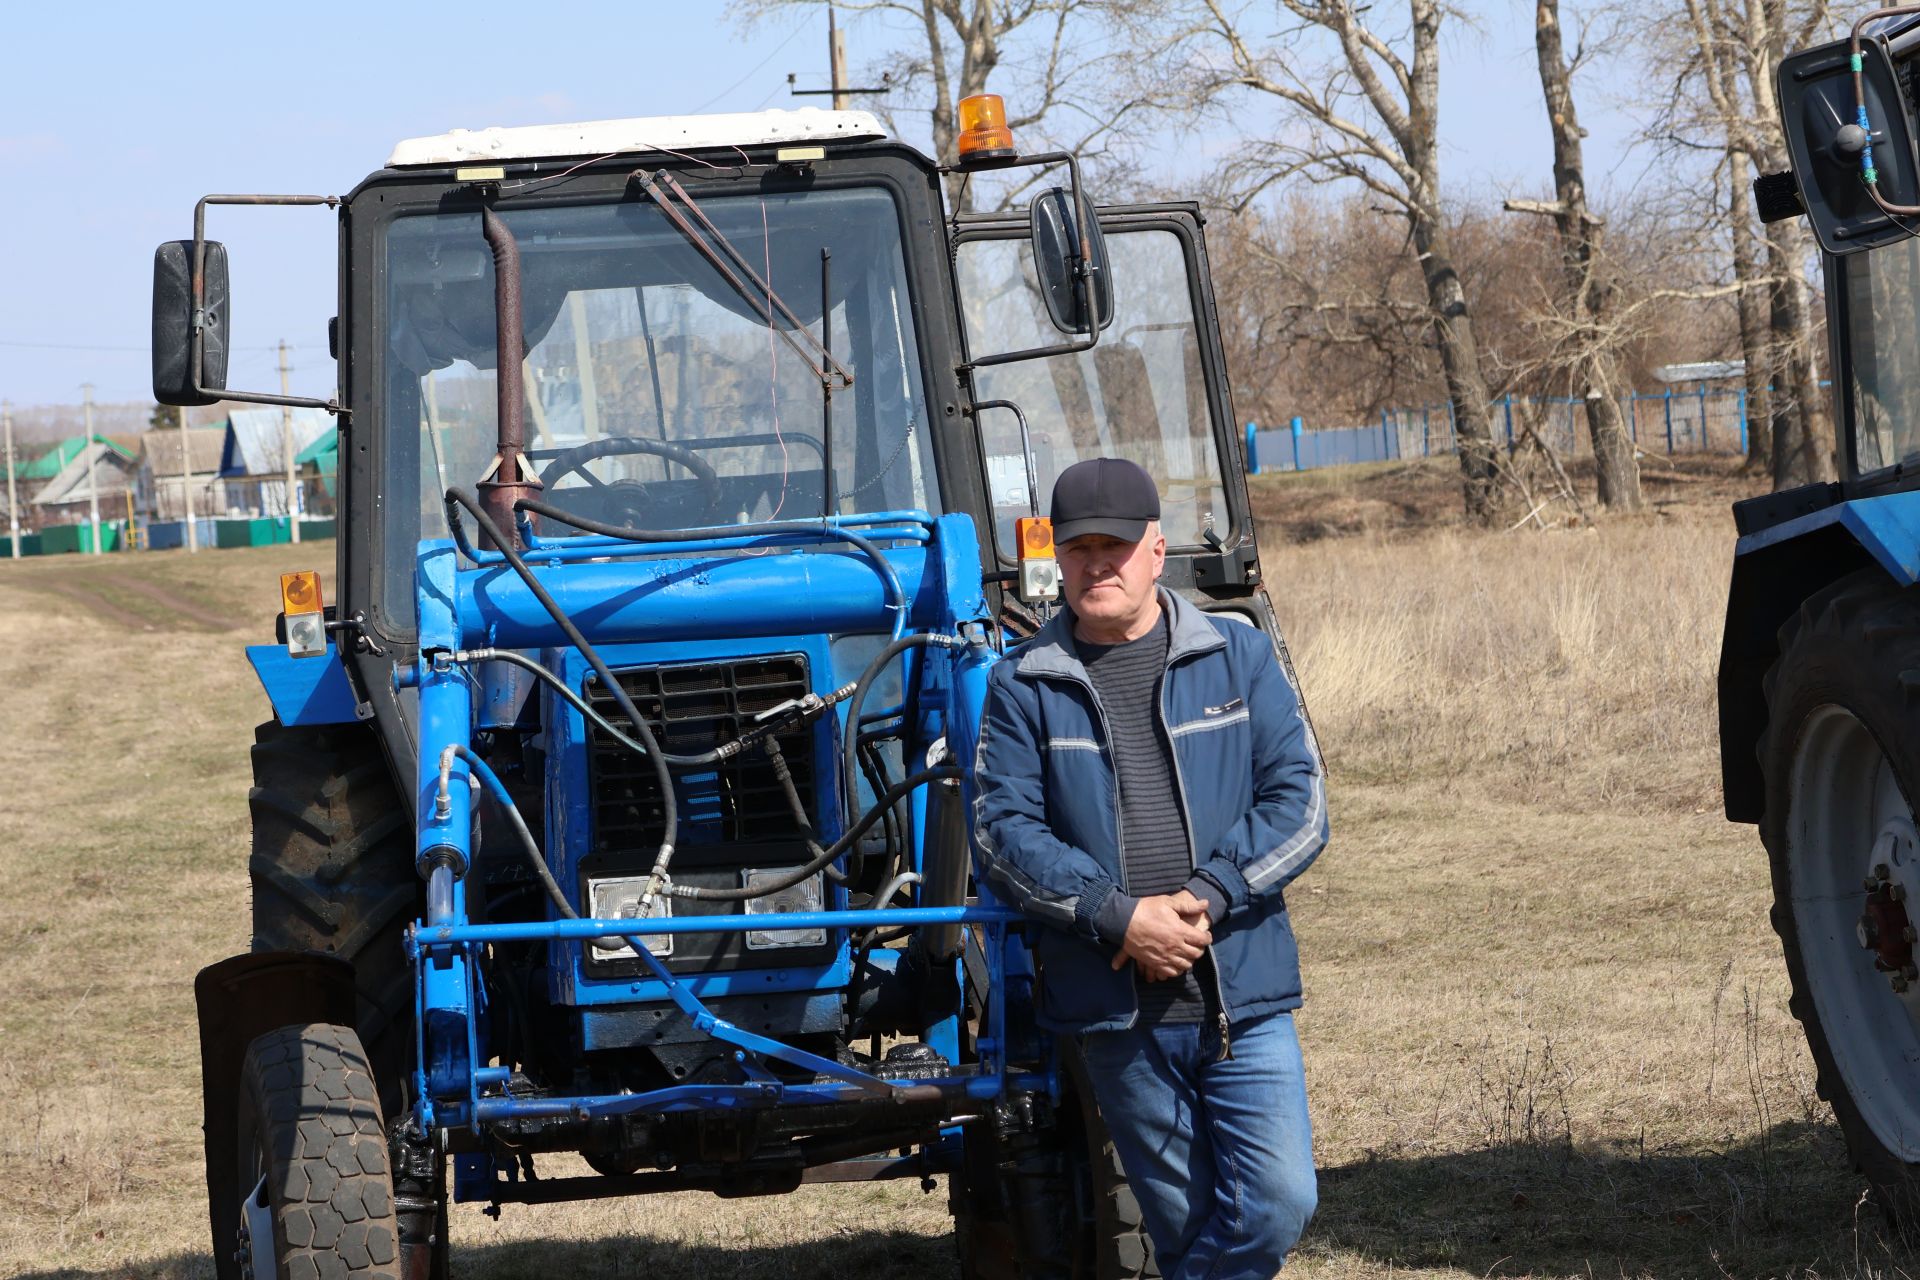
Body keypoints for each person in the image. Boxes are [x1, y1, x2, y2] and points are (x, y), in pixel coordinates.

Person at [972, 456, 1328, 1278]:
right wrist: (1117, 916)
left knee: (1277, 1203)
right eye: (1080, 548)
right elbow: (1003, 834)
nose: (1099, 564)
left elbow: (1300, 800)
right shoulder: (1022, 684)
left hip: (1239, 995)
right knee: (1187, 1227)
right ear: (1055, 559)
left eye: (1116, 546)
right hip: (1116, 1013)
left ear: (1156, 551)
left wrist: (1208, 894)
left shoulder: (1238, 656)